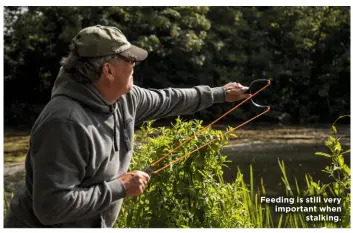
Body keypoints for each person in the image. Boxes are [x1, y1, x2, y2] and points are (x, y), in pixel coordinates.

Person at [4, 25, 250, 228]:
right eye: (129, 58)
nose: (135, 63)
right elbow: (51, 207)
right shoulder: (64, 123)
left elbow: (170, 99)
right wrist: (119, 187)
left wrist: (220, 94)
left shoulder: (125, 97)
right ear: (108, 70)